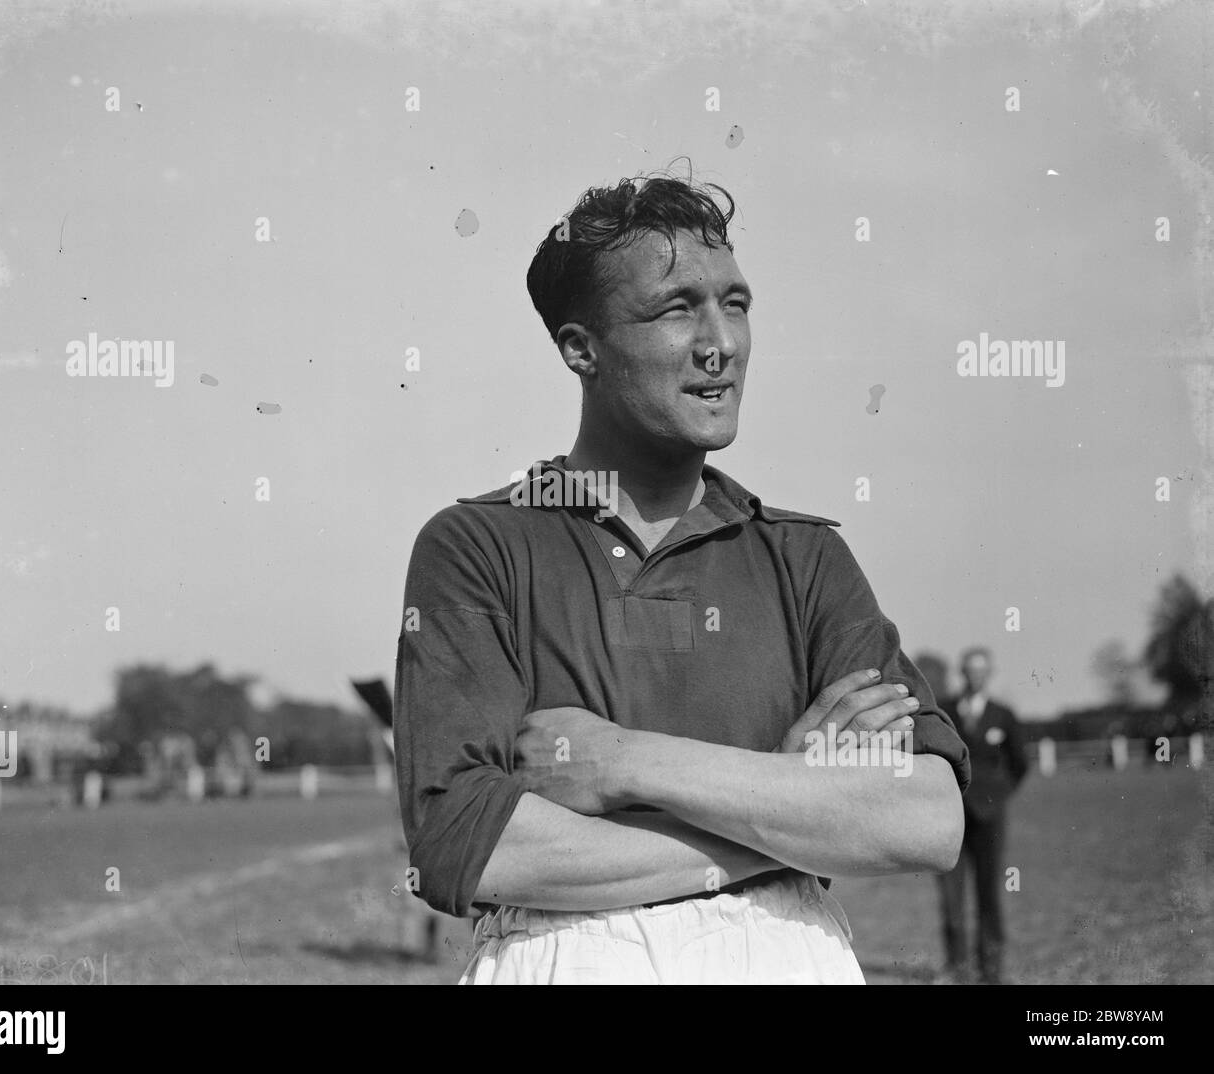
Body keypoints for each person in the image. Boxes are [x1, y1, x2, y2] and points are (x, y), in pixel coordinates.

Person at [394, 171, 970, 984]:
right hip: (562, 959)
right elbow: (466, 846)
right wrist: (787, 795)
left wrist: (625, 762)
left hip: (787, 952)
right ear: (579, 348)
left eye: (735, 304)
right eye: (676, 308)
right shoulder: (478, 546)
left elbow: (926, 820)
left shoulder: (805, 558)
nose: (721, 342)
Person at [936, 646, 1028, 984]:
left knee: (988, 894)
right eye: (970, 670)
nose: (975, 676)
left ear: (988, 675)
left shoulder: (1003, 715)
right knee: (951, 897)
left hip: (990, 819)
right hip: (950, 820)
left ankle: (991, 971)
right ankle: (957, 969)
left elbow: (1020, 764)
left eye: (981, 670)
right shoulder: (944, 712)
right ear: (963, 673)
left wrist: (998, 796)